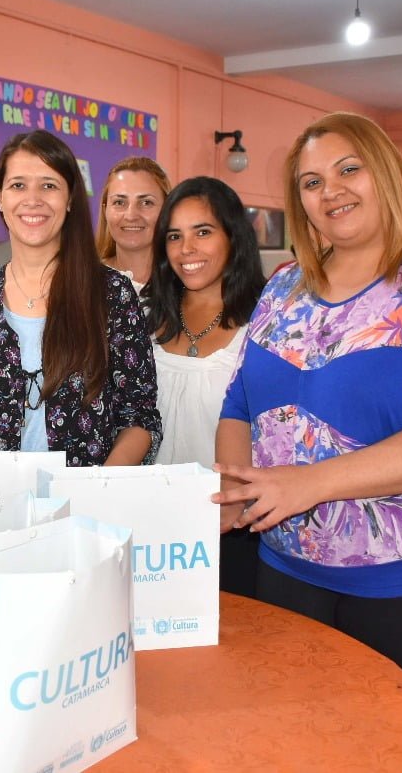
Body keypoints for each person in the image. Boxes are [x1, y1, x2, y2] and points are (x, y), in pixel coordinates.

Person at [212, 112, 402, 721]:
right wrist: (234, 479)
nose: (331, 191)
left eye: (348, 169)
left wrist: (309, 483)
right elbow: (239, 401)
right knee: (299, 731)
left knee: (391, 743)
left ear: (385, 172)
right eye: (310, 182)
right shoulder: (285, 286)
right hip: (290, 563)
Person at [0, 130, 161, 466]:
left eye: (49, 185)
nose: (32, 199)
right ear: (0, 197)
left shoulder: (112, 296)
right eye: (18, 185)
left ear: (70, 198)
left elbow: (139, 416)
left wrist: (99, 489)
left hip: (91, 504)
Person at [144, 176, 265, 595]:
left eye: (203, 232)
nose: (186, 249)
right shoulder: (142, 316)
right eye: (174, 236)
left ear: (234, 237)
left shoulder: (267, 322)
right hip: (150, 523)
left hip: (235, 527)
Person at [96, 157, 171, 290]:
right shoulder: (81, 282)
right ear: (105, 210)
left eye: (146, 202)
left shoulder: (185, 283)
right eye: (119, 202)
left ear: (167, 209)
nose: (131, 216)